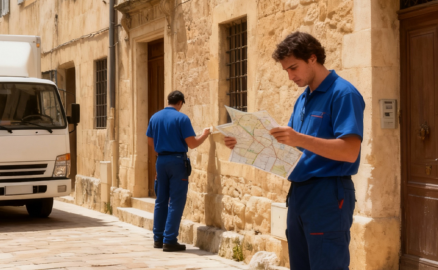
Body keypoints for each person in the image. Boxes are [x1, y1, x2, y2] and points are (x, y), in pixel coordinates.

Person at [225, 32, 363, 269]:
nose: (290, 76)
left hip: (328, 194)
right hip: (298, 194)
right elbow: (290, 146)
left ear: (312, 58)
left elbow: (350, 151)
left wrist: (300, 138)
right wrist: (246, 143)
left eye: (293, 68)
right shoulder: (302, 100)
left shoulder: (343, 93)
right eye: (286, 71)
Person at [146, 90, 211, 252]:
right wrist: (204, 135)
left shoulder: (155, 117)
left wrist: (161, 156)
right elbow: (193, 144)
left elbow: (149, 141)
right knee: (176, 200)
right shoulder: (182, 118)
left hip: (160, 160)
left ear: (168, 100)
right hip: (176, 161)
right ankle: (169, 239)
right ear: (180, 103)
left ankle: (158, 238)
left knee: (161, 200)